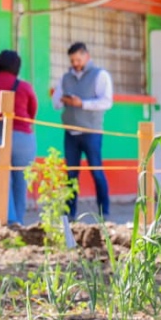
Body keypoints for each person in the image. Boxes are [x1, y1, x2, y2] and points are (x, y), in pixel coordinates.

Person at [51, 41, 114, 220]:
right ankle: (69, 214)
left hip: (92, 132)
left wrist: (82, 104)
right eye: (72, 60)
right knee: (71, 173)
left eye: (78, 59)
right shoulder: (65, 78)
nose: (75, 63)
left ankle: (104, 212)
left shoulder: (100, 75)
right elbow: (55, 102)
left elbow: (107, 102)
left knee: (96, 172)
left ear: (86, 56)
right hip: (70, 133)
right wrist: (63, 100)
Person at [0, 50, 38, 225]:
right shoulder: (25, 87)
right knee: (21, 183)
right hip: (23, 138)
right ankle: (19, 222)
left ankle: (9, 222)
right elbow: (32, 111)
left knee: (1, 181)